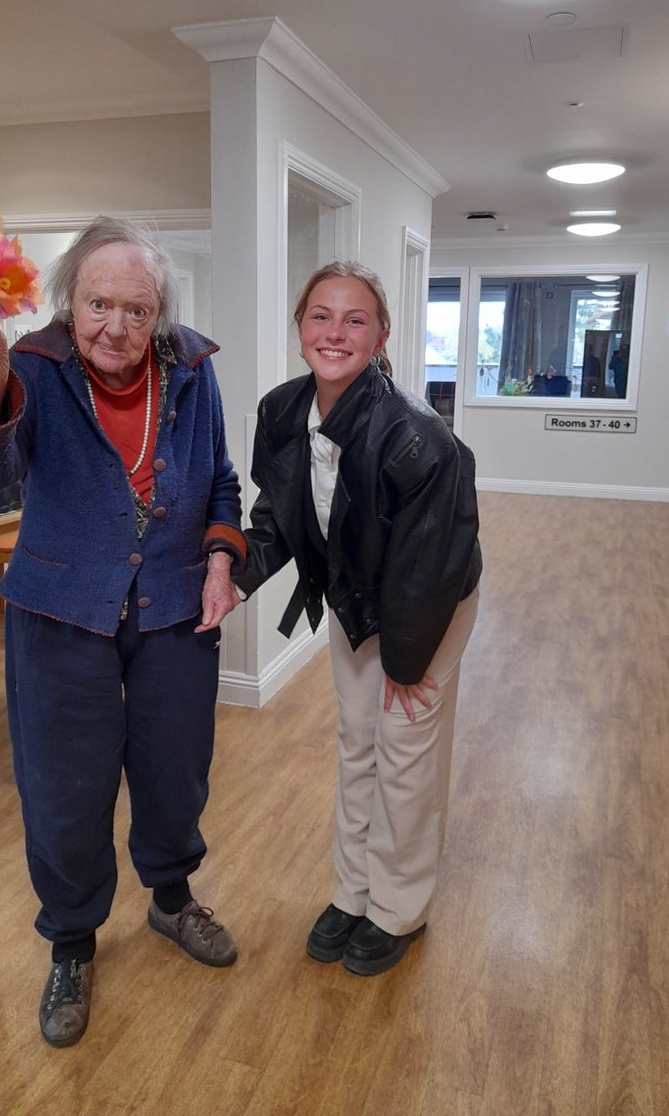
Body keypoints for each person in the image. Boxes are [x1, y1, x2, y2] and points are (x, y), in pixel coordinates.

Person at [0, 217, 245, 1048]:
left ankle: (172, 902)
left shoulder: (193, 369)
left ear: (161, 315)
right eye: (99, 303)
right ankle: (71, 943)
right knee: (64, 785)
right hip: (59, 610)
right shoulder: (31, 363)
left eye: (136, 309)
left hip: (174, 605)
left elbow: (220, 477)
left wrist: (222, 558)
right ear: (72, 300)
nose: (116, 325)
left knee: (176, 768)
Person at [232, 261, 482, 977]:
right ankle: (354, 891)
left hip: (429, 605)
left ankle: (397, 908)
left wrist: (405, 663)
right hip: (357, 596)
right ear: (300, 325)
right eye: (320, 316)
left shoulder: (417, 435)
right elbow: (277, 515)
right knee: (358, 739)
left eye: (354, 319)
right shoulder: (282, 411)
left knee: (404, 748)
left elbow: (429, 566)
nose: (334, 332)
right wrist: (236, 577)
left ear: (381, 336)